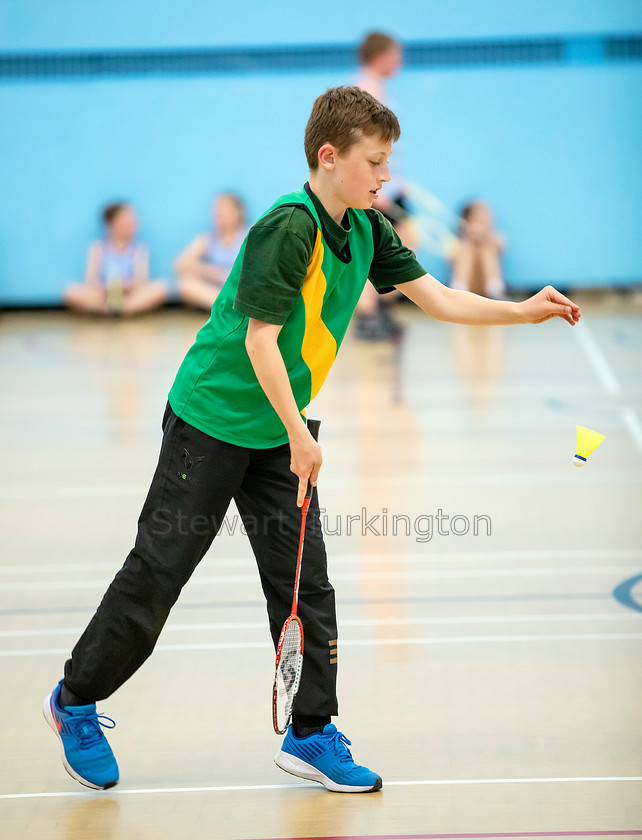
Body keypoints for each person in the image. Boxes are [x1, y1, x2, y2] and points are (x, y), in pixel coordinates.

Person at [43, 86, 580, 796]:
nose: (385, 177)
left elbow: (439, 298)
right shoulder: (287, 227)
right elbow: (262, 342)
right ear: (330, 157)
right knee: (159, 572)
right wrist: (299, 436)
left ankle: (309, 731)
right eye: (375, 162)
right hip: (212, 420)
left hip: (278, 431)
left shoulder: (367, 228)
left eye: (388, 163)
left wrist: (521, 311)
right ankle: (74, 700)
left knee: (304, 586)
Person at [355, 32, 416, 340]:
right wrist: (373, 191)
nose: (400, 61)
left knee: (402, 245)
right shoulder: (366, 91)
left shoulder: (379, 89)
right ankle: (368, 314)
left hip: (391, 190)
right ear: (381, 56)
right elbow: (365, 149)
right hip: (377, 192)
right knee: (371, 253)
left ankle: (378, 310)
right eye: (396, 54)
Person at [64, 203, 167, 316]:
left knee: (160, 287)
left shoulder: (139, 250)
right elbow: (90, 280)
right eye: (126, 219)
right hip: (102, 295)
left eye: (133, 219)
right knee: (71, 291)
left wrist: (122, 286)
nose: (132, 223)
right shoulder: (97, 248)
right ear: (111, 224)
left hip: (130, 294)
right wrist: (109, 288)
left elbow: (141, 281)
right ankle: (108, 308)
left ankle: (123, 309)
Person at [174, 192, 248, 311]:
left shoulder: (247, 237)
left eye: (224, 209)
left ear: (238, 213)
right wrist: (215, 273)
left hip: (239, 289)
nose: (219, 213)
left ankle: (229, 307)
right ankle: (227, 308)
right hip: (216, 291)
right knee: (186, 282)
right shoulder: (207, 239)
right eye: (217, 209)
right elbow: (180, 264)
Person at [449, 200, 507, 299]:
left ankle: (494, 288)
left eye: (486, 216)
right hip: (469, 286)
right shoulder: (459, 242)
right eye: (478, 218)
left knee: (487, 249)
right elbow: (450, 256)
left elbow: (501, 245)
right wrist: (468, 237)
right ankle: (460, 288)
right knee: (466, 249)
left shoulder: (494, 239)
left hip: (485, 288)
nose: (484, 220)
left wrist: (483, 237)